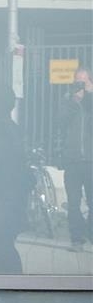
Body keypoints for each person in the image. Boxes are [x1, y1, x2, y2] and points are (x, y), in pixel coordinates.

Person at [59, 68, 92, 248]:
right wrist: (75, 99)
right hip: (72, 160)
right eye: (77, 80)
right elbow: (61, 121)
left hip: (91, 160)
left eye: (84, 81)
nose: (80, 83)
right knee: (73, 202)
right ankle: (76, 237)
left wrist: (90, 94)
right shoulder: (68, 100)